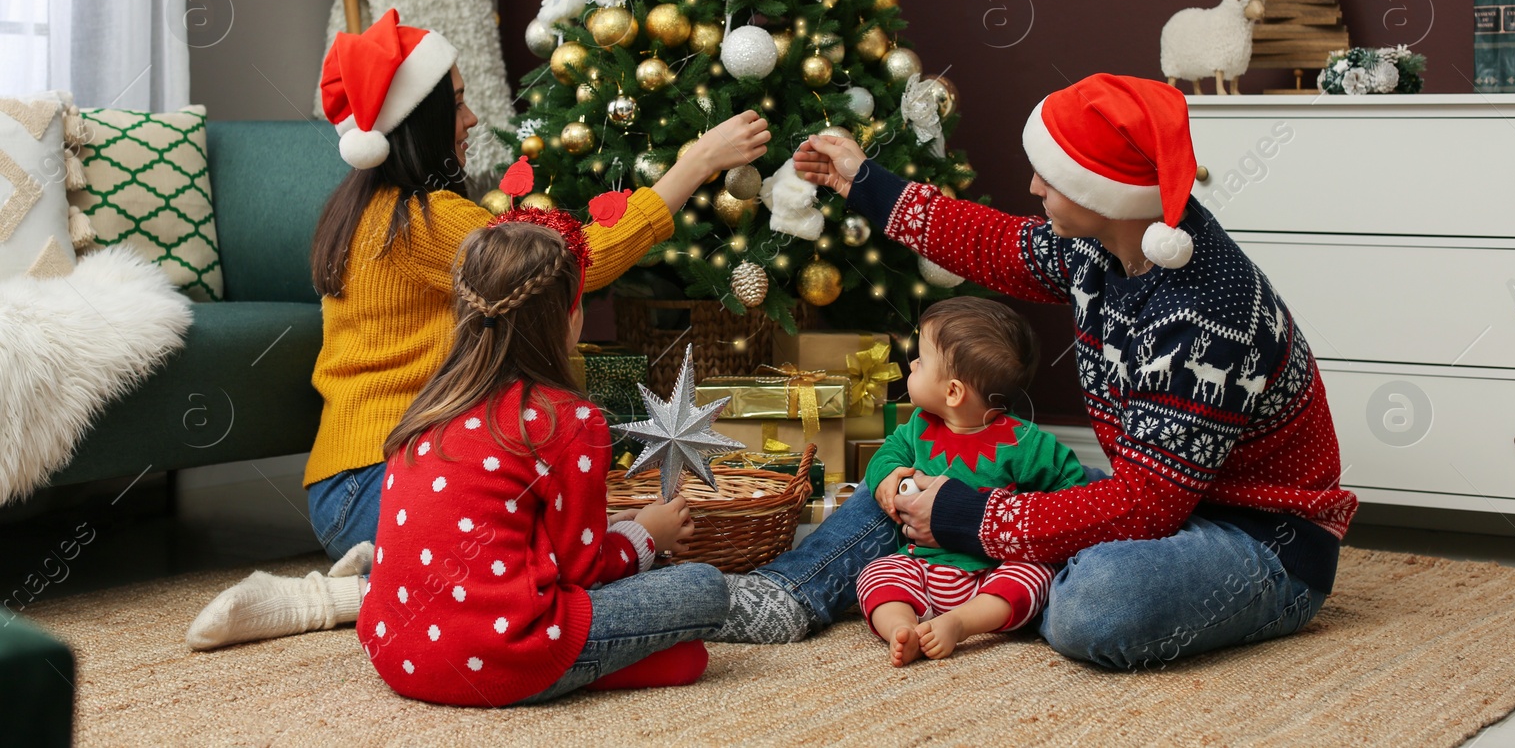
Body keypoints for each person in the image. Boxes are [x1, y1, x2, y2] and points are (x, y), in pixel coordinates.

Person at [711, 74, 1357, 670]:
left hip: (1260, 542)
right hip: (1159, 495)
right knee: (921, 474)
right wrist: (863, 180)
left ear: (1107, 189)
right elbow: (991, 244)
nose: (1034, 187)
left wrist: (976, 517)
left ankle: (998, 583)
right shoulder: (1103, 244)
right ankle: (786, 593)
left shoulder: (1202, 315)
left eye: (1053, 175)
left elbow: (1147, 508)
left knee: (1095, 603)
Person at [187, 9, 766, 650]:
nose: (469, 121)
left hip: (353, 485)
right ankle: (343, 596)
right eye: (457, 104)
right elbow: (571, 262)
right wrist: (695, 163)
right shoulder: (423, 220)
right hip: (376, 484)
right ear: (421, 122)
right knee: (537, 569)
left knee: (551, 540)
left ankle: (393, 578)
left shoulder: (361, 207)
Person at [358, 215, 725, 705]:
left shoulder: (430, 409)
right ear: (569, 316)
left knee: (686, 659)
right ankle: (555, 670)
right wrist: (643, 538)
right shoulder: (567, 420)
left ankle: (582, 666)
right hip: (507, 651)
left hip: (399, 657)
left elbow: (521, 533)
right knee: (705, 588)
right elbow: (581, 571)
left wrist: (612, 525)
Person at [856, 297, 1084, 666]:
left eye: (922, 360)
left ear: (953, 392)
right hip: (924, 566)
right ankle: (903, 627)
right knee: (878, 573)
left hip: (992, 573)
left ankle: (960, 624)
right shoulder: (919, 426)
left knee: (1035, 576)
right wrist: (886, 478)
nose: (912, 364)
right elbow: (887, 455)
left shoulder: (1027, 444)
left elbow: (1073, 492)